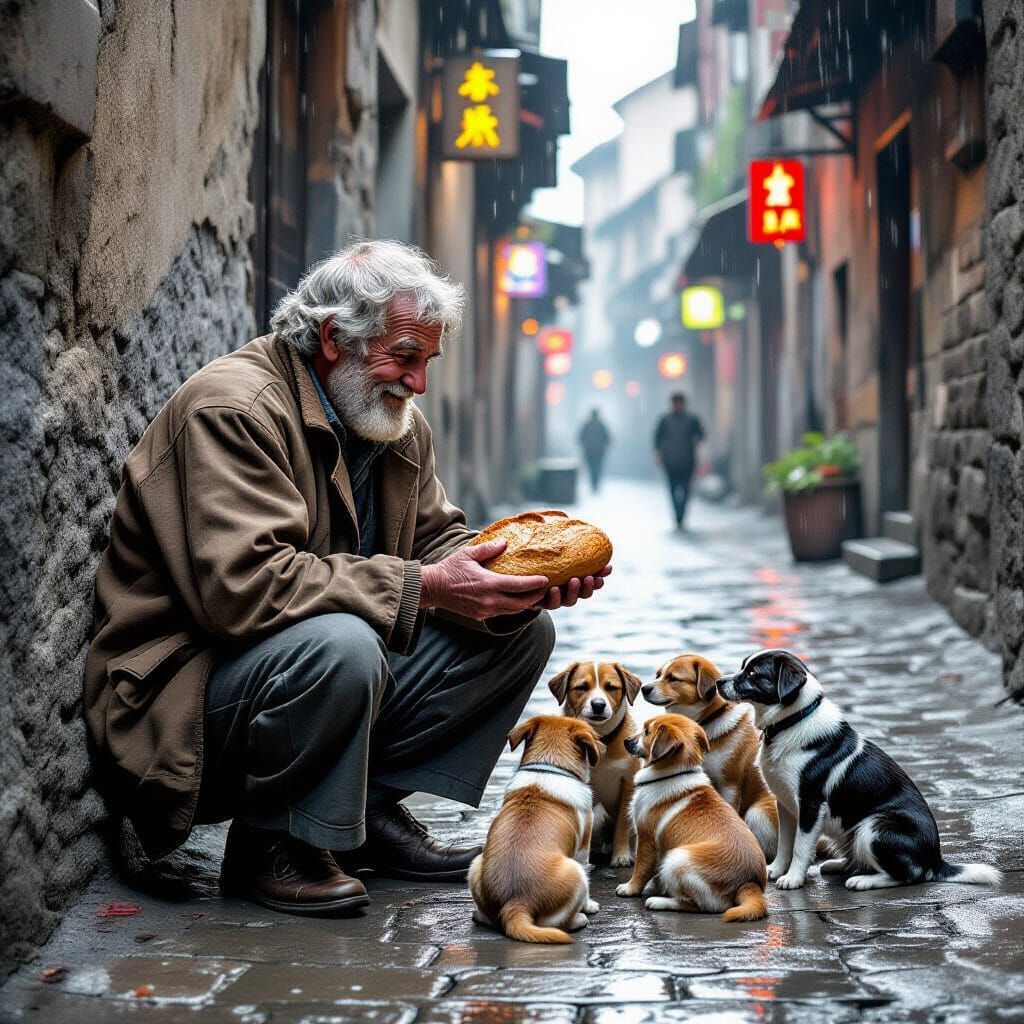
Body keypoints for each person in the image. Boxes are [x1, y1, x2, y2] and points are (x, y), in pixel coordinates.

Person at [84, 240, 611, 917]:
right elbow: (245, 589)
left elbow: (437, 540)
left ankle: (363, 817)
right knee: (344, 643)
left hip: (286, 666)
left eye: (427, 362)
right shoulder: (234, 410)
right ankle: (273, 843)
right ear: (334, 338)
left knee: (518, 634)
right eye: (405, 358)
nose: (418, 383)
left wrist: (510, 580)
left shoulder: (390, 423)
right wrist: (432, 585)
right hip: (177, 695)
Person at [653, 391, 705, 530]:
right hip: (670, 462)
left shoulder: (692, 419)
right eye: (675, 403)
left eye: (680, 403)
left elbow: (701, 435)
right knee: (673, 490)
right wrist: (658, 455)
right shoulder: (665, 420)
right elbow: (657, 439)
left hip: (688, 461)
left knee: (686, 491)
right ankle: (677, 517)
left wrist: (697, 438)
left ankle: (681, 516)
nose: (678, 406)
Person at [578, 408, 611, 492]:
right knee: (597, 467)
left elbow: (580, 437)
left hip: (588, 450)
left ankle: (593, 484)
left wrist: (584, 444)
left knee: (591, 467)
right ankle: (595, 484)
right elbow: (607, 438)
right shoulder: (601, 425)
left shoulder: (587, 425)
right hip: (600, 451)